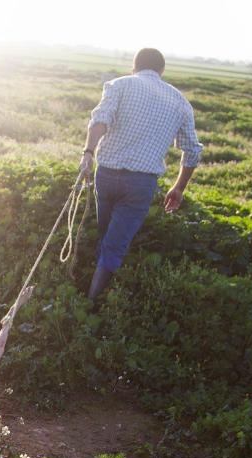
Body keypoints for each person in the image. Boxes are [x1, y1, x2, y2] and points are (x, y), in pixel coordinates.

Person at [79, 47, 202, 302]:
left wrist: (88, 152)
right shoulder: (180, 101)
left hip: (107, 175)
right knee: (114, 243)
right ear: (161, 70)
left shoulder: (119, 85)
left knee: (107, 235)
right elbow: (192, 151)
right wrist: (179, 187)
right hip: (140, 184)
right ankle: (93, 303)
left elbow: (100, 120)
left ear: (134, 66)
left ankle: (90, 293)